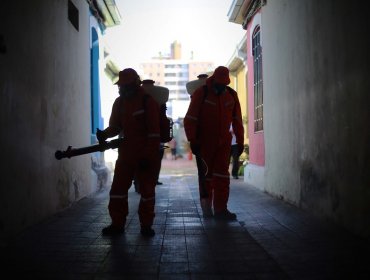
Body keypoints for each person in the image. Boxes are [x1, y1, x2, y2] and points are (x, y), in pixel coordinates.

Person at [96, 68, 160, 237]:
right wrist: (105, 134)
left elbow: (154, 133)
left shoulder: (147, 101)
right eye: (120, 86)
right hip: (125, 154)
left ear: (134, 84)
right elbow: (116, 127)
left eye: (124, 86)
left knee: (146, 192)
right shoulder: (119, 103)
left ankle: (146, 226)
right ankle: (117, 224)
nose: (121, 89)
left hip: (145, 155)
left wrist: (147, 155)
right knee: (117, 190)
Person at [184, 66, 244, 220]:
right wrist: (193, 140)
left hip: (224, 143)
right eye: (218, 84)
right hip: (204, 142)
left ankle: (221, 209)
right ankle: (206, 208)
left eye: (223, 85)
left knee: (222, 176)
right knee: (206, 176)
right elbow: (190, 119)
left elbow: (237, 121)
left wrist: (240, 141)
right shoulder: (202, 93)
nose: (220, 88)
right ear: (213, 80)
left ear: (226, 83)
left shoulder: (231, 95)